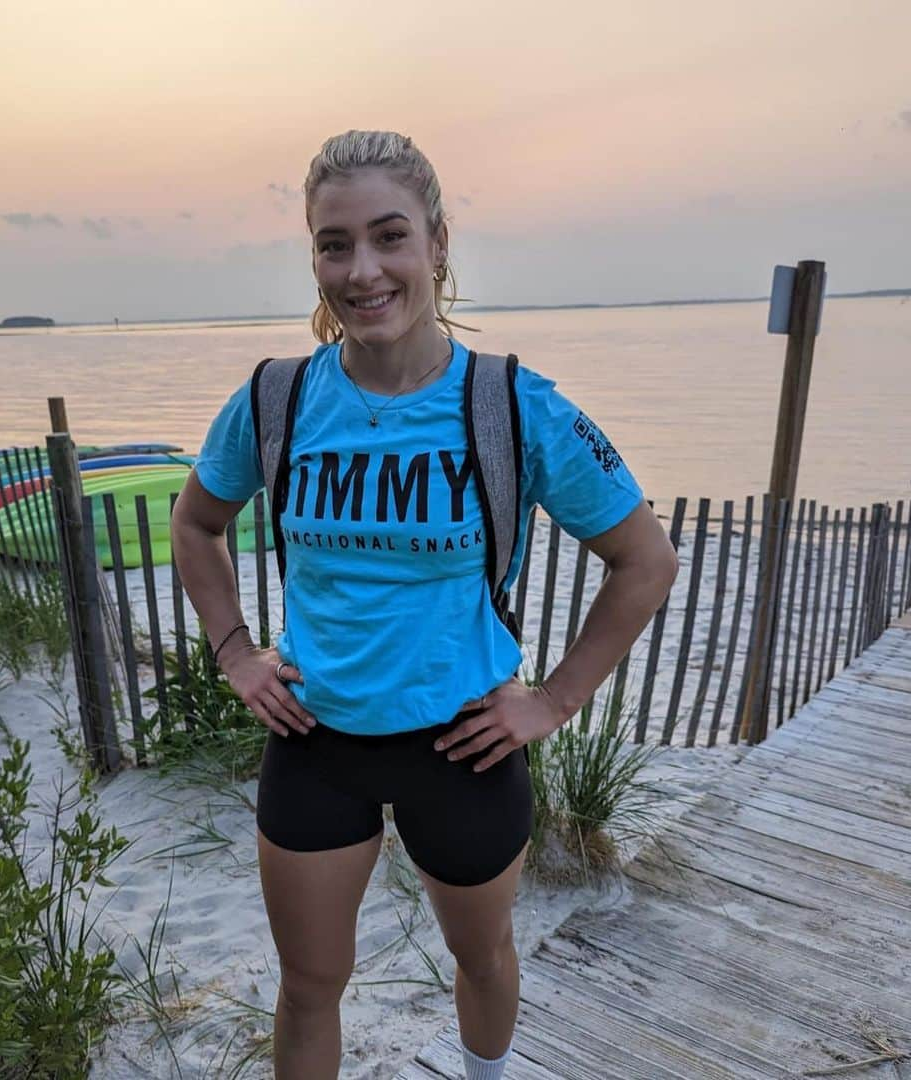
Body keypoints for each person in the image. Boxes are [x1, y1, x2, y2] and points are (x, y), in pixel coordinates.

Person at [171, 130, 679, 1080]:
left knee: (480, 954)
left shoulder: (514, 406)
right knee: (310, 984)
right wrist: (237, 652)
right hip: (317, 741)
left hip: (465, 744)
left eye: (389, 236)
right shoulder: (275, 400)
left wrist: (554, 701)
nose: (362, 270)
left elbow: (644, 560)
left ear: (438, 245)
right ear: (314, 259)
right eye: (335, 244)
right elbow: (196, 524)